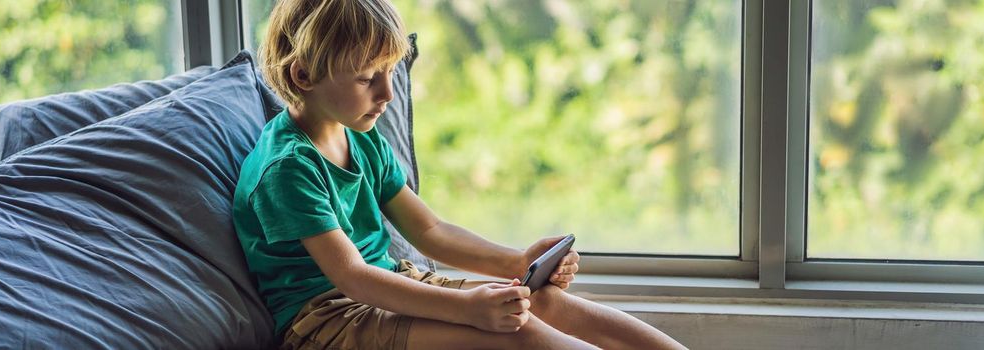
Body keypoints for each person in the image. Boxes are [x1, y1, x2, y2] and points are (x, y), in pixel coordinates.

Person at [232, 0, 687, 348]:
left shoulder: (361, 137)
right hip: (327, 319)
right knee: (520, 331)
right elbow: (354, 277)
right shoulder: (288, 167)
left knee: (540, 301)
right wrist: (466, 307)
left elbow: (430, 230)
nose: (388, 92)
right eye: (367, 77)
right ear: (304, 74)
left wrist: (518, 264)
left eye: (389, 71)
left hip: (393, 286)